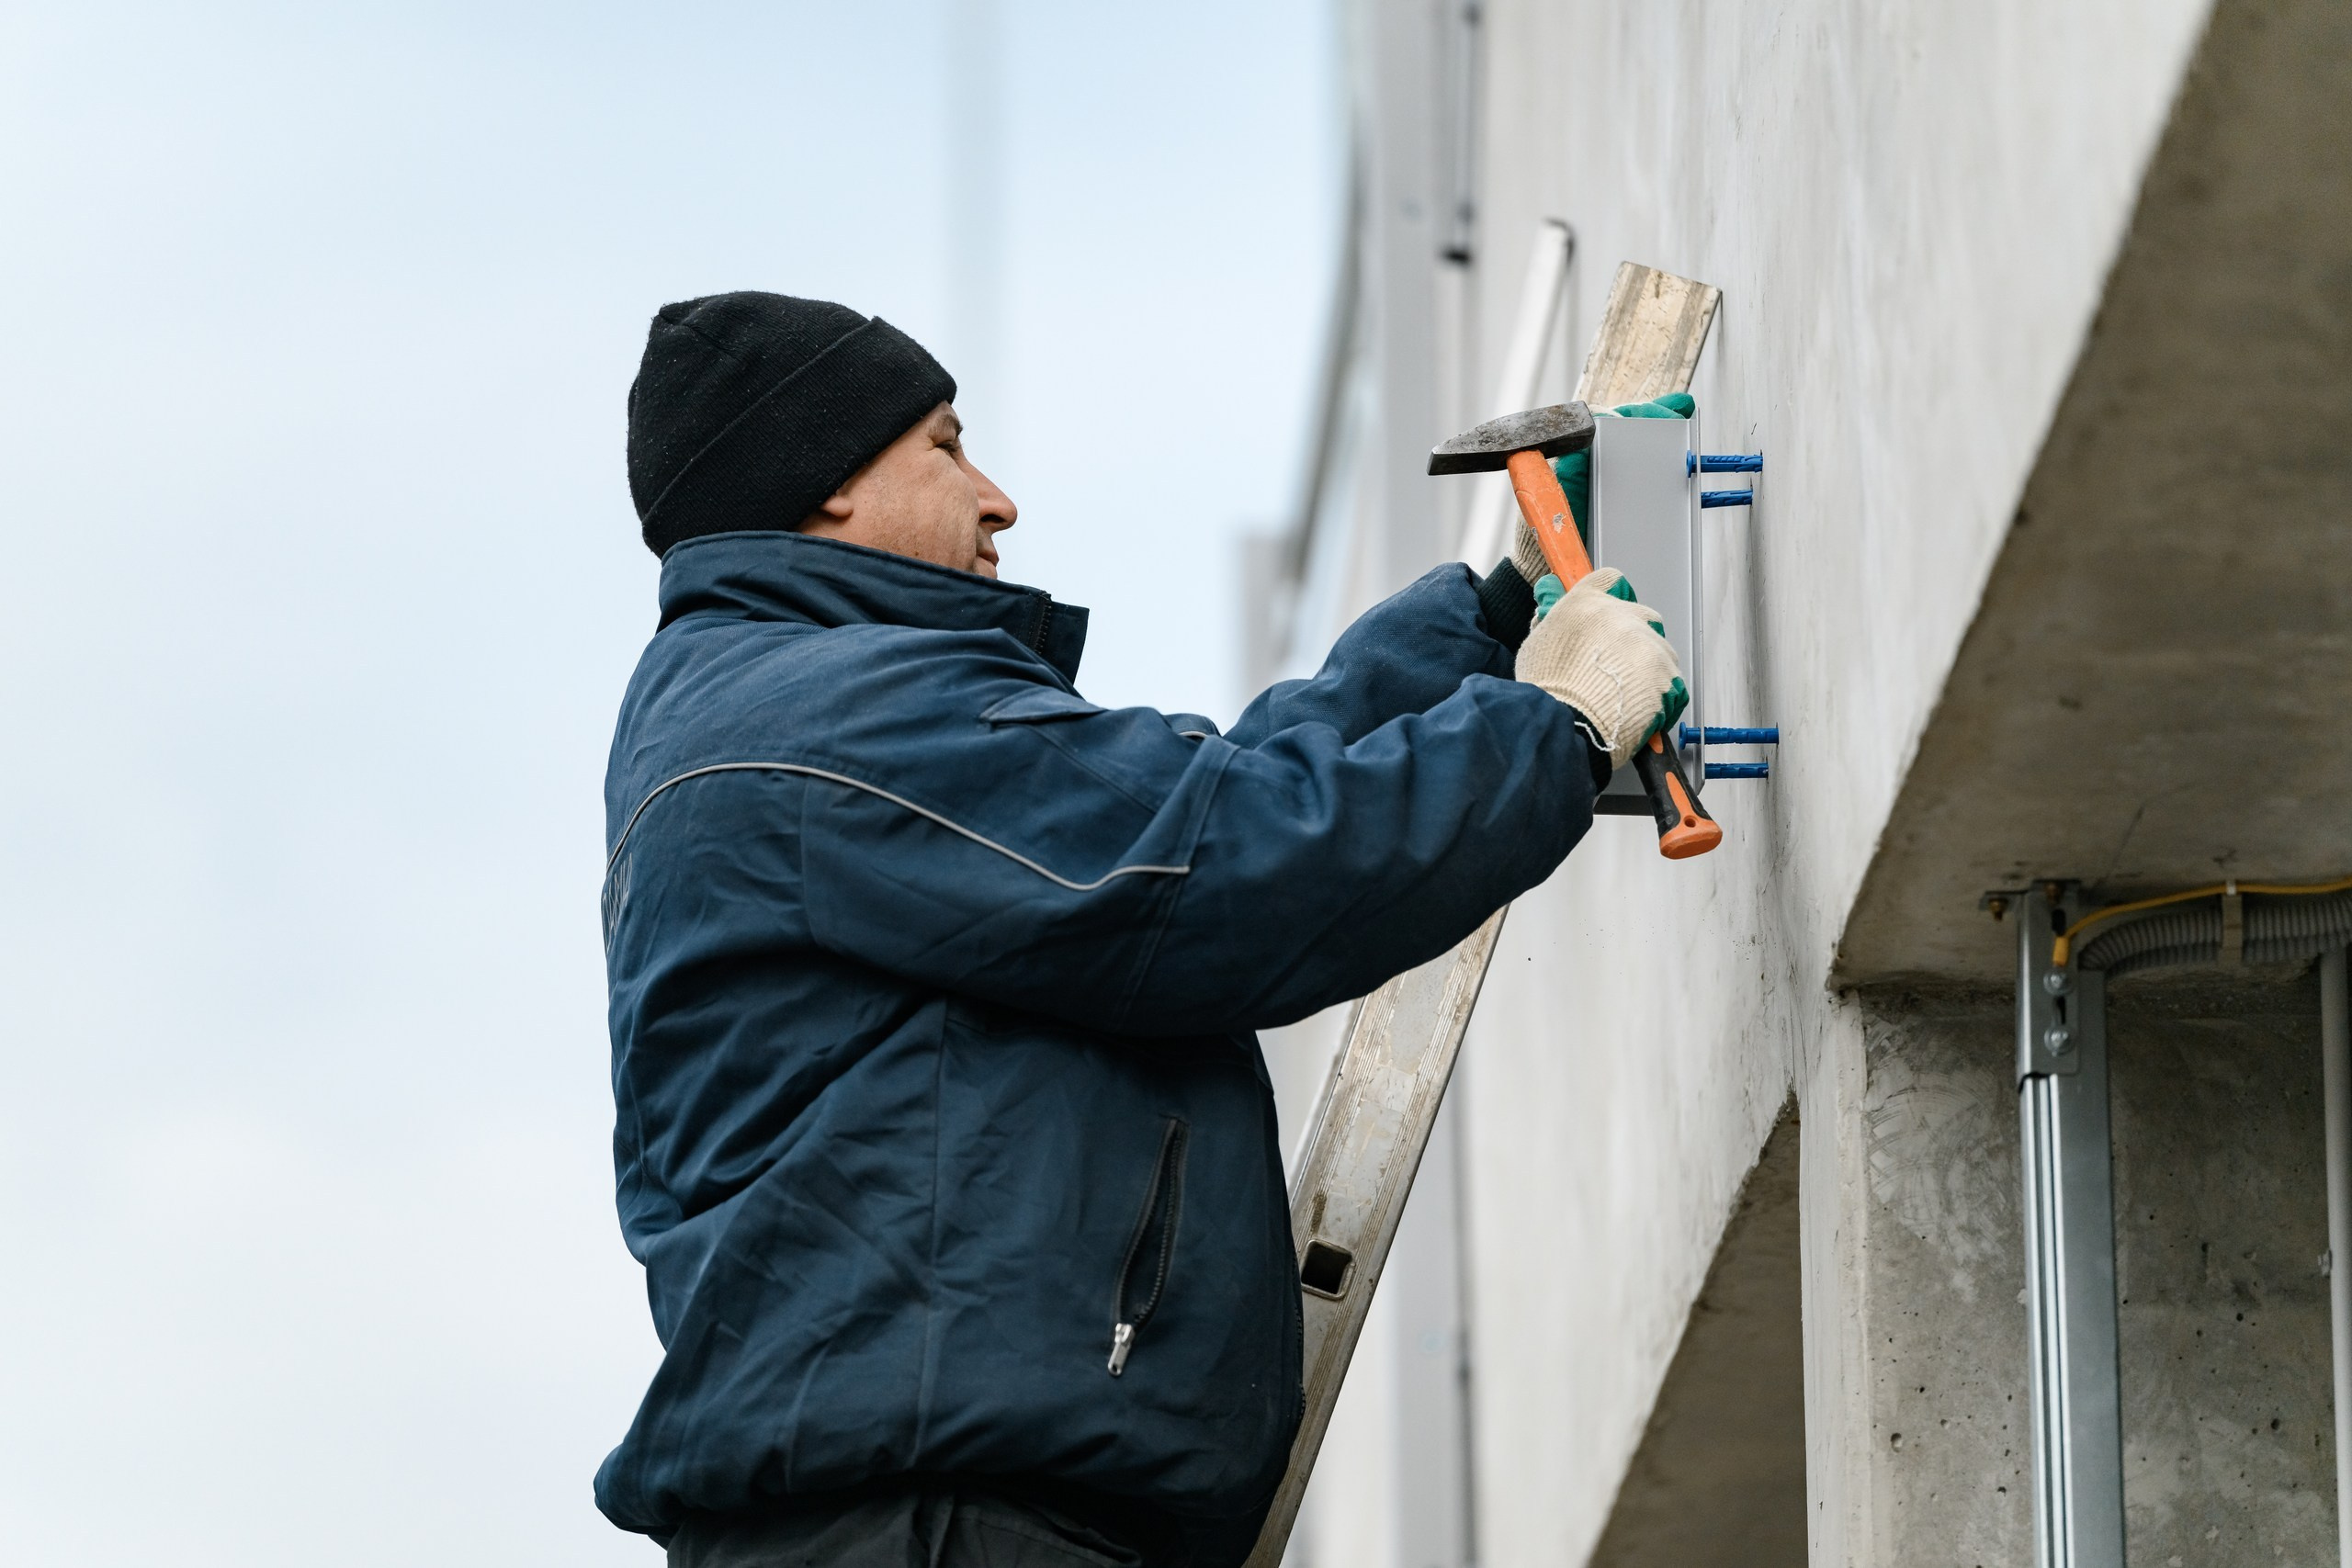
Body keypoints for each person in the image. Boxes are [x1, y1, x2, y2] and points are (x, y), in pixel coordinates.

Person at [596, 291, 1688, 1567]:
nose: (998, 500)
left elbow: (1204, 811)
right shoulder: (825, 719)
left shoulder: (784, 712)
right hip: (936, 1530)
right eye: (945, 446)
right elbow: (1220, 868)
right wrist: (1553, 729)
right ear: (827, 479)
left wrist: (1493, 623)